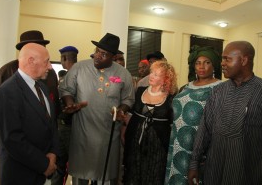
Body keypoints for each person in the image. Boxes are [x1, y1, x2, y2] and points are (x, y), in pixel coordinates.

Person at [188, 41, 262, 185]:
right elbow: (205, 129)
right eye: (222, 59)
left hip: (246, 175)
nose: (222, 63)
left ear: (244, 60)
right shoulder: (218, 91)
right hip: (213, 172)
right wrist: (194, 163)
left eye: (227, 59)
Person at [59, 33, 135, 185]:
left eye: (103, 54)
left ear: (113, 57)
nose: (97, 56)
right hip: (83, 132)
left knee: (106, 174)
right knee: (80, 175)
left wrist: (121, 110)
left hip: (108, 134)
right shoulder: (79, 68)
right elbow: (66, 89)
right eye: (97, 50)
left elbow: (128, 98)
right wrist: (70, 103)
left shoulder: (122, 73)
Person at [0, 30, 60, 161]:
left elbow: (52, 112)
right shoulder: (6, 72)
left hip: (44, 150)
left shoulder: (50, 74)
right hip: (19, 153)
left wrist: (53, 150)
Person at [0, 43, 58, 185]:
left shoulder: (42, 87)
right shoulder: (7, 91)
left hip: (42, 170)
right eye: (47, 61)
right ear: (31, 61)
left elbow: (51, 124)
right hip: (20, 173)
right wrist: (44, 165)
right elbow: (12, 139)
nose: (50, 67)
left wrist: (53, 153)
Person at [165, 46, 222, 185]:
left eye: (207, 62)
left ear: (214, 65)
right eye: (198, 63)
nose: (201, 66)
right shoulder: (186, 86)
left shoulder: (220, 88)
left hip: (199, 144)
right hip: (177, 141)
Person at [123, 60, 178, 185]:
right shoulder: (140, 90)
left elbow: (172, 123)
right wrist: (124, 131)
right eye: (152, 72)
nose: (151, 76)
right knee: (134, 171)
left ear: (166, 79)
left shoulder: (171, 97)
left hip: (158, 145)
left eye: (156, 74)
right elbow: (131, 114)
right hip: (136, 141)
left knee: (154, 173)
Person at [51, 46, 79, 185]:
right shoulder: (82, 75)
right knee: (73, 165)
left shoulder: (67, 78)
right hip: (76, 126)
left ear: (64, 58)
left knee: (62, 165)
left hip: (67, 127)